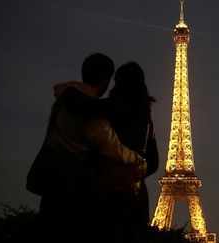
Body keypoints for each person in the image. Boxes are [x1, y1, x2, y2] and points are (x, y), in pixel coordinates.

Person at [26, 54, 146, 242]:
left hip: (52, 180)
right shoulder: (93, 111)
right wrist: (138, 160)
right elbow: (108, 145)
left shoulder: (65, 100)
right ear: (106, 80)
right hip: (75, 185)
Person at [56, 62, 159, 240]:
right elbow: (154, 163)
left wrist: (66, 90)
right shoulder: (146, 122)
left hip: (102, 195)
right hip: (134, 199)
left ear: (116, 83)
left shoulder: (108, 108)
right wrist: (132, 172)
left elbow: (79, 106)